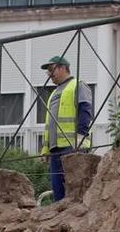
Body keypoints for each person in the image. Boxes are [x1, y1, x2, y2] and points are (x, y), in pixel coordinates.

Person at [40, 56, 93, 201]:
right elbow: (49, 125)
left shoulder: (78, 85)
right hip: (55, 150)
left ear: (63, 67)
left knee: (74, 192)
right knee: (59, 193)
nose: (49, 74)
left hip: (72, 146)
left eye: (51, 69)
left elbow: (85, 110)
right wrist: (45, 150)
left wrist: (81, 137)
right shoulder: (55, 93)